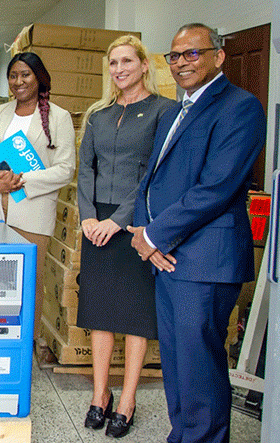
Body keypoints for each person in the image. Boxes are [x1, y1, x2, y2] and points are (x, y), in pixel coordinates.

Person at [128, 23, 265, 443]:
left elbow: (216, 188)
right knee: (177, 365)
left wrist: (153, 236)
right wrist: (142, 233)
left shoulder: (240, 108)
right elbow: (149, 178)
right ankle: (182, 436)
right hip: (167, 260)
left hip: (205, 261)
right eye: (174, 56)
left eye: (192, 54)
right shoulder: (174, 110)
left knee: (200, 369)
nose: (181, 63)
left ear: (218, 56)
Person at [76, 35, 175, 437]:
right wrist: (86, 217)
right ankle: (100, 395)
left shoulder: (163, 112)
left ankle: (128, 398)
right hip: (94, 224)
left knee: (135, 316)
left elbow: (156, 174)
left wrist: (118, 220)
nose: (119, 70)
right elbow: (86, 170)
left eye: (127, 62)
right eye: (113, 63)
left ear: (145, 64)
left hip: (135, 225)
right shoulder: (99, 115)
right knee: (100, 313)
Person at [0, 52, 76, 333]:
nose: (19, 81)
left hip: (33, 210)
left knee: (29, 281)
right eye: (13, 76)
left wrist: (21, 179)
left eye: (25, 75)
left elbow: (66, 169)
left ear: (39, 78)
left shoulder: (59, 117)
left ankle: (25, 343)